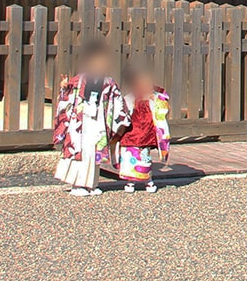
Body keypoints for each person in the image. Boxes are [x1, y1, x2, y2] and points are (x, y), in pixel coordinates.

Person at [53, 39, 130, 196]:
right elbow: (66, 97)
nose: (100, 65)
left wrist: (122, 120)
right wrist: (64, 88)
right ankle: (78, 184)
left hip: (99, 121)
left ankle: (92, 184)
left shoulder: (109, 83)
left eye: (103, 62)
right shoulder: (79, 80)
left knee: (94, 151)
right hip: (80, 122)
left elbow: (117, 102)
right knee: (80, 151)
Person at [118, 64, 171, 193]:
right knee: (129, 157)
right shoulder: (131, 97)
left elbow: (164, 101)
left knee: (145, 157)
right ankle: (130, 181)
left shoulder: (154, 95)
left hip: (146, 132)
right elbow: (123, 111)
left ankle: (148, 180)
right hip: (132, 132)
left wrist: (157, 100)